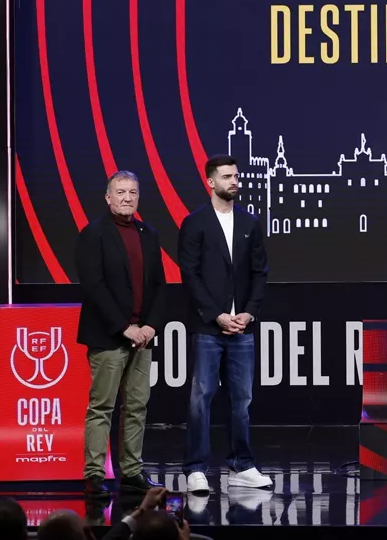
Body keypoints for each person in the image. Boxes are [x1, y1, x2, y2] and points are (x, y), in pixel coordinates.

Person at [179, 155, 272, 493]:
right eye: (227, 176)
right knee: (201, 397)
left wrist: (248, 312)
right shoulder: (195, 222)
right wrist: (216, 314)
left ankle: (242, 464)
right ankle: (196, 469)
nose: (235, 181)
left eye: (236, 176)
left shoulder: (250, 222)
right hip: (209, 327)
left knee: (242, 400)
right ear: (210, 182)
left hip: (242, 328)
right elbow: (189, 274)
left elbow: (260, 272)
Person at [76, 171, 167, 497]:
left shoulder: (148, 233)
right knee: (102, 408)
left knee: (138, 405)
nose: (127, 198)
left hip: (142, 337)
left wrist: (149, 327)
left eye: (132, 192)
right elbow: (94, 287)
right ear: (108, 197)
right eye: (120, 192)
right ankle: (94, 476)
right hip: (109, 336)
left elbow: (159, 284)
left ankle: (131, 472)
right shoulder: (93, 233)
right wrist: (124, 327)